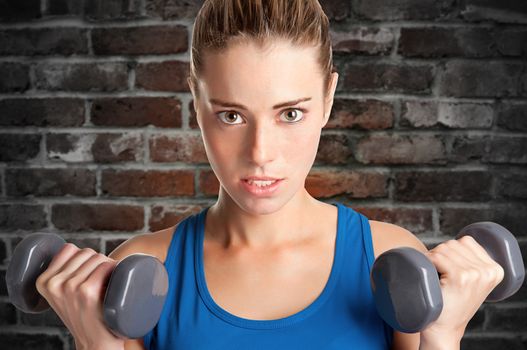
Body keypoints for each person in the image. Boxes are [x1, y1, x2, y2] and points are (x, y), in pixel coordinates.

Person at [34, 1, 505, 349]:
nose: (260, 153)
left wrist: (444, 337)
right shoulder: (140, 270)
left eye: (291, 114)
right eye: (232, 116)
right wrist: (97, 344)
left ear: (328, 99)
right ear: (196, 104)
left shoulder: (390, 258)